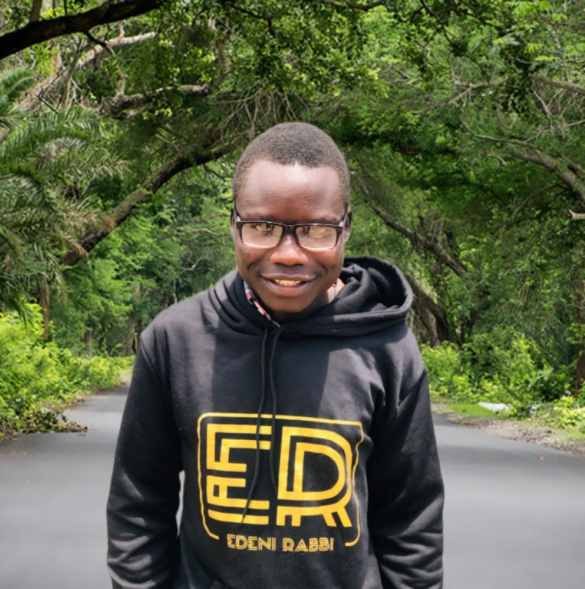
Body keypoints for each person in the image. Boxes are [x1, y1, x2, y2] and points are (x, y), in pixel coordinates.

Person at [107, 122, 444, 589]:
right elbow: (139, 506)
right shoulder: (174, 340)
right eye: (263, 227)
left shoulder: (389, 349)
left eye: (316, 230)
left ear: (346, 228)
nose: (288, 254)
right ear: (233, 224)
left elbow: (411, 522)